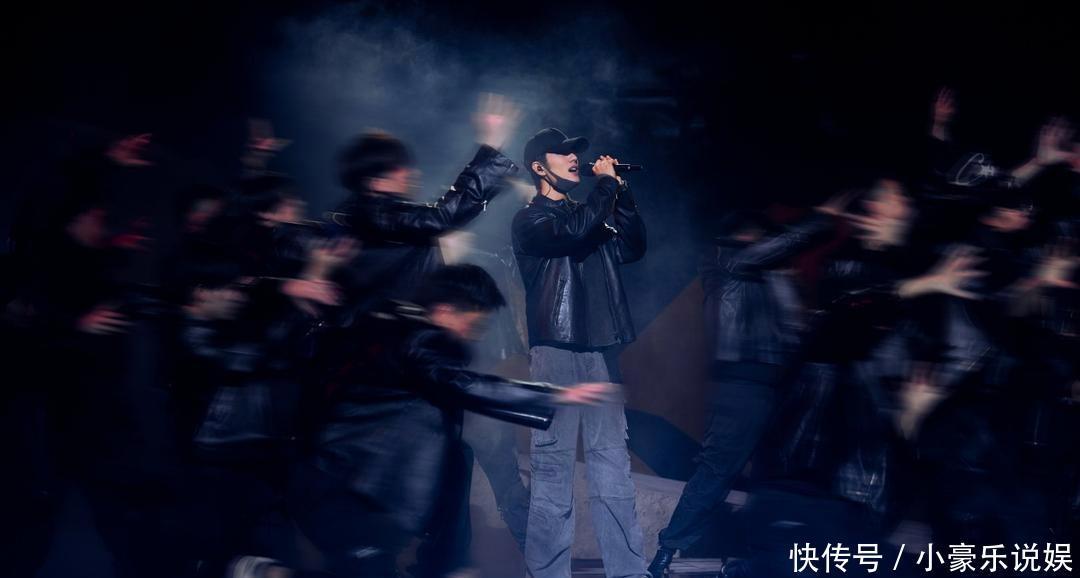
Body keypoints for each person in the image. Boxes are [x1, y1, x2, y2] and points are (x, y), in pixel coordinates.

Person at [263, 264, 613, 578]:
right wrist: (557, 395)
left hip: (335, 485)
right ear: (445, 310)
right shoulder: (422, 342)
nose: (473, 335)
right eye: (472, 323)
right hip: (355, 491)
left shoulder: (384, 326)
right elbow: (465, 385)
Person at [512, 127, 649, 578]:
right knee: (553, 467)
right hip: (556, 350)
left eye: (576, 153)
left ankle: (628, 572)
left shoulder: (590, 214)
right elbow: (571, 232)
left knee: (613, 464)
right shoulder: (531, 218)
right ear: (538, 167)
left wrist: (621, 195)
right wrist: (605, 186)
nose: (574, 158)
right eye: (563, 153)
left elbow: (633, 248)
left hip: (599, 350)